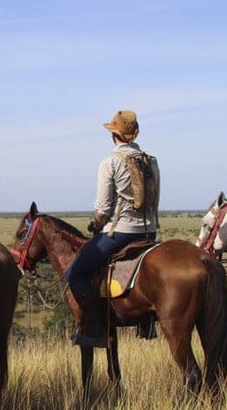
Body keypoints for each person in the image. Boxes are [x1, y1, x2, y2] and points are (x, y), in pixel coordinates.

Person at [64, 110, 159, 342]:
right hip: (149, 231)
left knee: (75, 273)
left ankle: (95, 325)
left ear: (114, 135)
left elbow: (103, 209)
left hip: (121, 233)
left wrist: (96, 225)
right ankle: (147, 322)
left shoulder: (110, 162)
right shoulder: (151, 161)